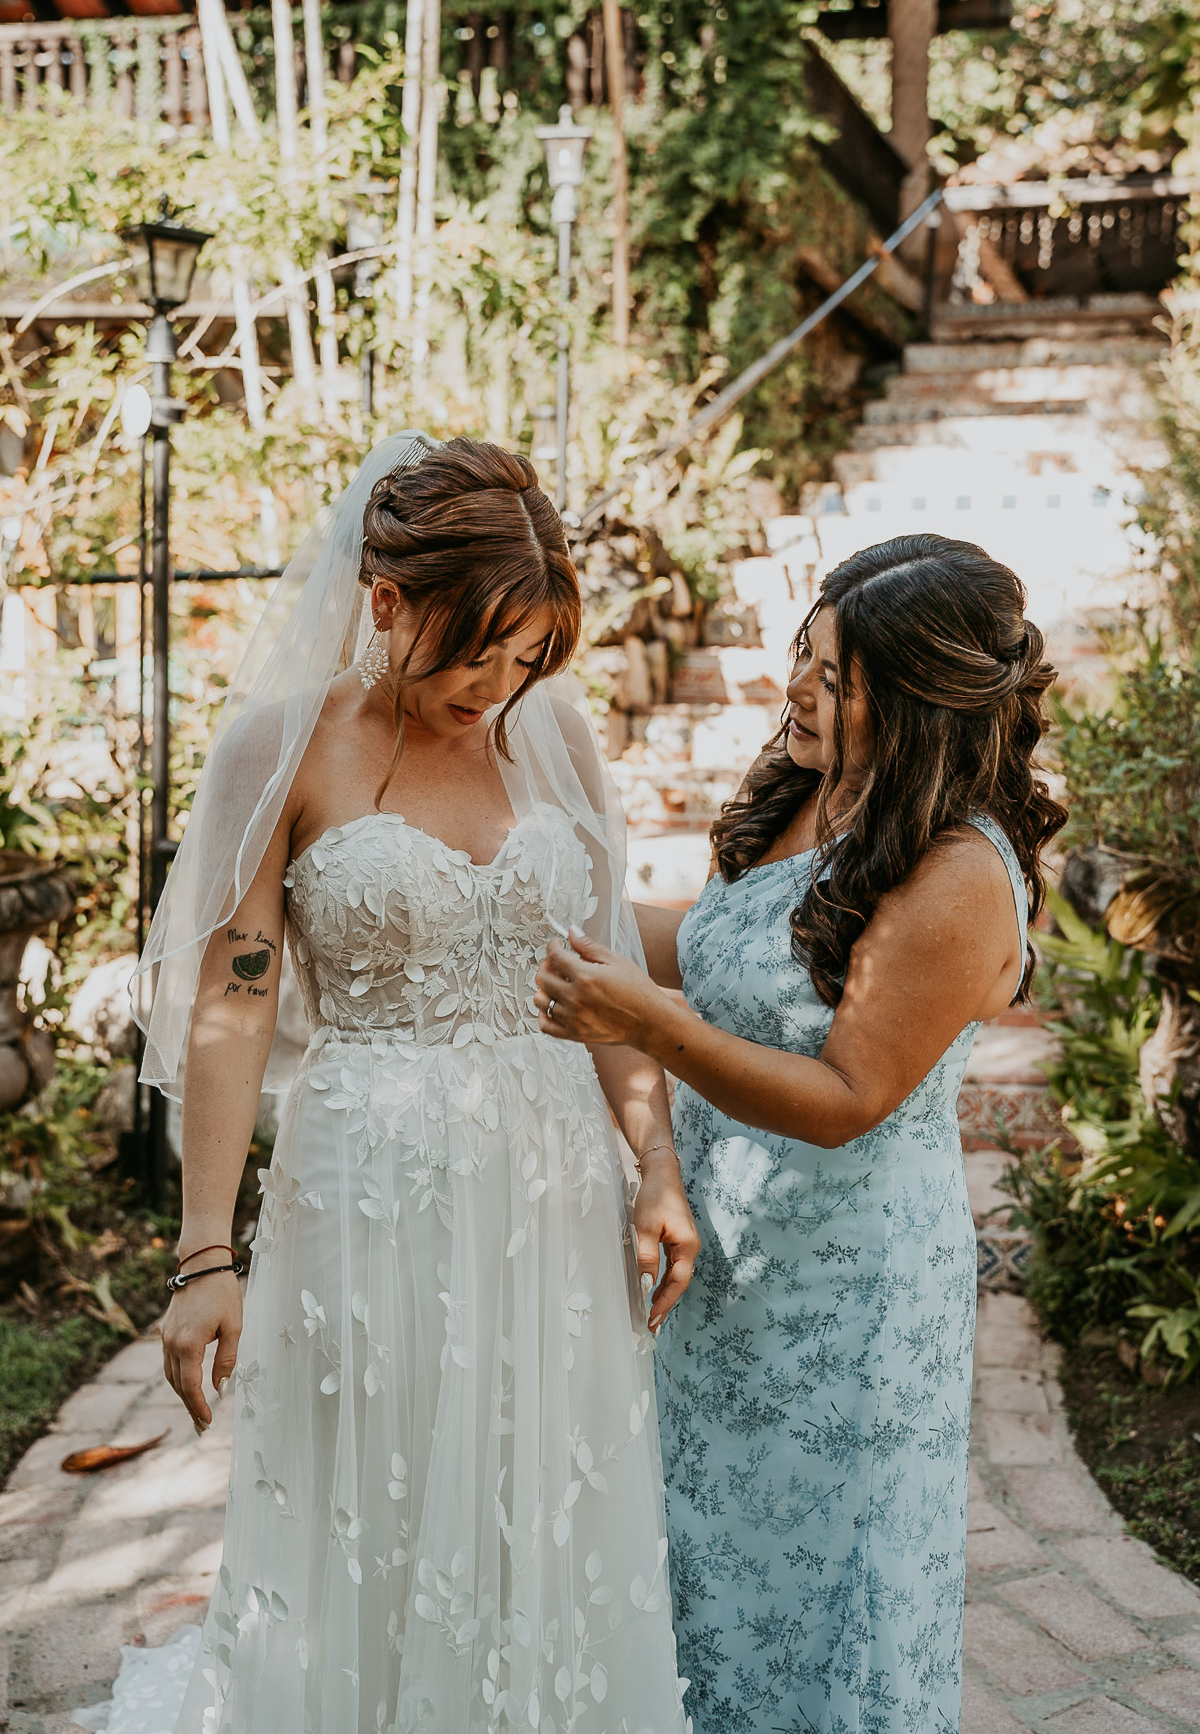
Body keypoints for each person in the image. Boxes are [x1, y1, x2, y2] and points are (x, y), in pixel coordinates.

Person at [93, 434, 698, 1734]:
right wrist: (204, 1255)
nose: (500, 686)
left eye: (528, 657)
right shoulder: (279, 750)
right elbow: (234, 999)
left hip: (551, 1191)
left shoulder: (551, 739)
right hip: (365, 1193)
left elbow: (598, 976)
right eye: (478, 653)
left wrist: (654, 1161)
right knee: (372, 1507)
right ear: (384, 600)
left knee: (541, 1504)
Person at [534, 533, 1067, 1733]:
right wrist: (530, 897)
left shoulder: (960, 872)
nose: (798, 691)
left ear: (921, 700)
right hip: (725, 1267)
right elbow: (717, 946)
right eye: (803, 656)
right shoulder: (814, 785)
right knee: (701, 1580)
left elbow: (846, 1097)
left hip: (848, 1303)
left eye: (836, 678)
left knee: (829, 1602)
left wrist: (649, 1025)